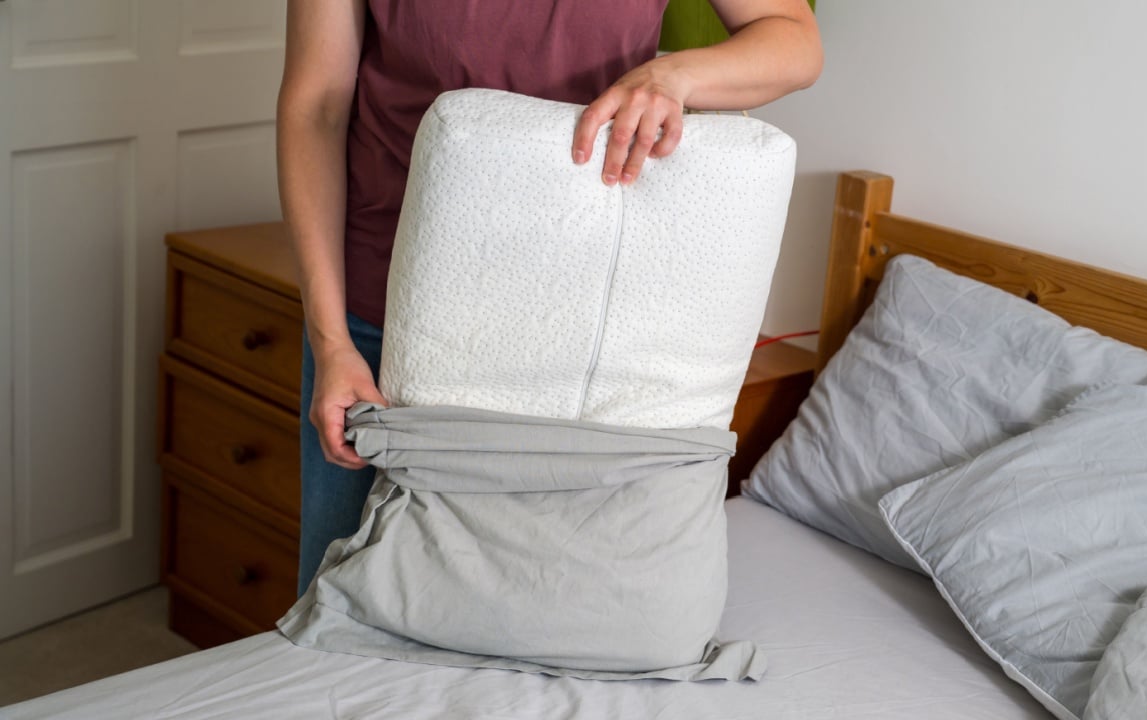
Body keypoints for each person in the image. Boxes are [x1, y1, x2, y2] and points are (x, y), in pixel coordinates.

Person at [278, 0, 824, 594]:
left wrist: (672, 75)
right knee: (339, 597)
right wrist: (331, 341)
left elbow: (794, 42)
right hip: (383, 323)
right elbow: (316, 107)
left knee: (543, 608)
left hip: (577, 330)